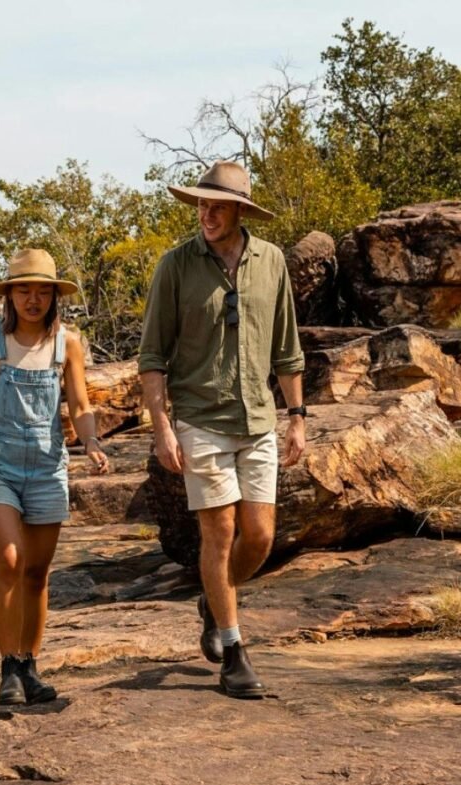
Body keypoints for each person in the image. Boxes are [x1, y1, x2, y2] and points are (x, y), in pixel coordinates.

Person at [137, 160, 307, 699]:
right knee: (220, 532)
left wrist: (297, 418)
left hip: (257, 417)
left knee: (259, 537)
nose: (205, 215)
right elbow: (152, 356)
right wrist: (162, 427)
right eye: (201, 206)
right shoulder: (176, 266)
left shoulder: (272, 262)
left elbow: (287, 348)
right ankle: (234, 651)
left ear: (239, 211)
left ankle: (214, 598)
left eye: (215, 206)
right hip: (200, 420)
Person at [0, 248, 109, 705]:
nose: (34, 299)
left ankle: (29, 666)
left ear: (55, 296)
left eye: (43, 291)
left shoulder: (69, 344)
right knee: (10, 560)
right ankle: (7, 668)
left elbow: (79, 406)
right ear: (9, 295)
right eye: (24, 289)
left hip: (46, 466)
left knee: (38, 573)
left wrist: (93, 442)